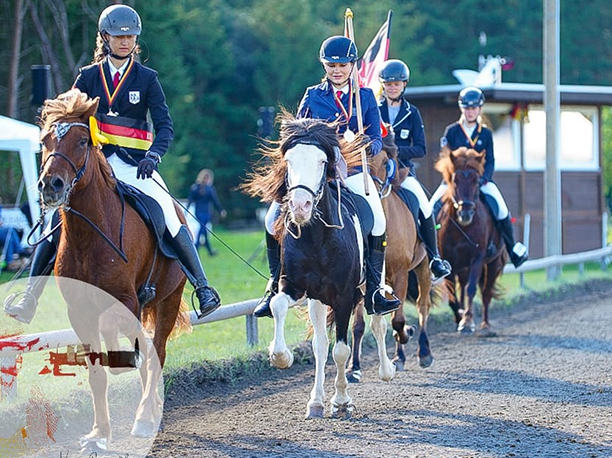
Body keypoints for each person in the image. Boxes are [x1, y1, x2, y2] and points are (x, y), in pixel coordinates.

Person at [5, 4, 221, 323]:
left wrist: (154, 155)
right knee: (56, 219)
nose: (124, 41)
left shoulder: (147, 78)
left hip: (137, 166)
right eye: (118, 36)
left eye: (130, 36)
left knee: (168, 211)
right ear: (105, 37)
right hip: (96, 165)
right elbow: (70, 118)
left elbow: (165, 126)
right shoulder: (89, 76)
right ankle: (29, 296)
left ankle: (203, 288)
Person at [253, 35, 401, 318]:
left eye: (342, 65)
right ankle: (274, 284)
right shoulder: (312, 95)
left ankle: (374, 289)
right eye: (331, 65)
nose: (337, 70)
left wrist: (360, 144)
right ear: (324, 65)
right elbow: (294, 132)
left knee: (378, 220)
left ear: (351, 65)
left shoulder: (366, 96)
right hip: (315, 172)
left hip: (353, 170)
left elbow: (376, 137)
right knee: (273, 219)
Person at [429, 86, 528, 268]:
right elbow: (445, 160)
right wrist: (452, 180)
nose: (470, 111)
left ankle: (512, 248)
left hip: (480, 183)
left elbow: (490, 161)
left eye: (473, 108)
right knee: (430, 209)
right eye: (467, 108)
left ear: (479, 109)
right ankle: (430, 253)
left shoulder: (486, 133)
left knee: (502, 209)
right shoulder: (451, 131)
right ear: (462, 109)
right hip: (454, 184)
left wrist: (484, 179)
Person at [376, 59, 451, 280]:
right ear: (383, 85)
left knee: (425, 207)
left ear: (404, 85)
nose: (392, 87)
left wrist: (395, 150)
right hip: (376, 172)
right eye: (388, 84)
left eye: (396, 84)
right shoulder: (373, 110)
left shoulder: (412, 113)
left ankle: (435, 258)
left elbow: (420, 148)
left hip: (402, 173)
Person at [189, 169, 225, 256]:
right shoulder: (209, 189)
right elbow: (215, 201)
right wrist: (221, 210)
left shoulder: (195, 187)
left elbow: (190, 200)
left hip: (198, 212)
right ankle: (195, 249)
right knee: (202, 230)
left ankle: (209, 251)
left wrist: (186, 210)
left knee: (203, 231)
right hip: (206, 213)